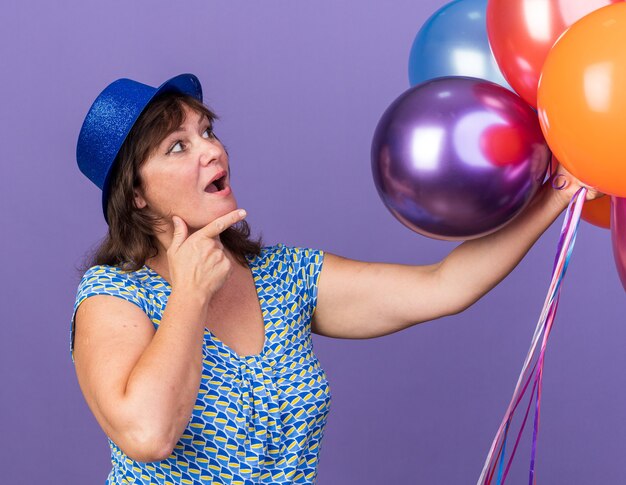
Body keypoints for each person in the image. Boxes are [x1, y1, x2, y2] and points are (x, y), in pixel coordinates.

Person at [71, 73, 601, 485]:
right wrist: (189, 294)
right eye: (177, 147)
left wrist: (557, 191)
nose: (211, 149)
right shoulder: (114, 297)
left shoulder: (285, 277)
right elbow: (148, 434)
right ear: (136, 194)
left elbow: (445, 286)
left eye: (206, 131)